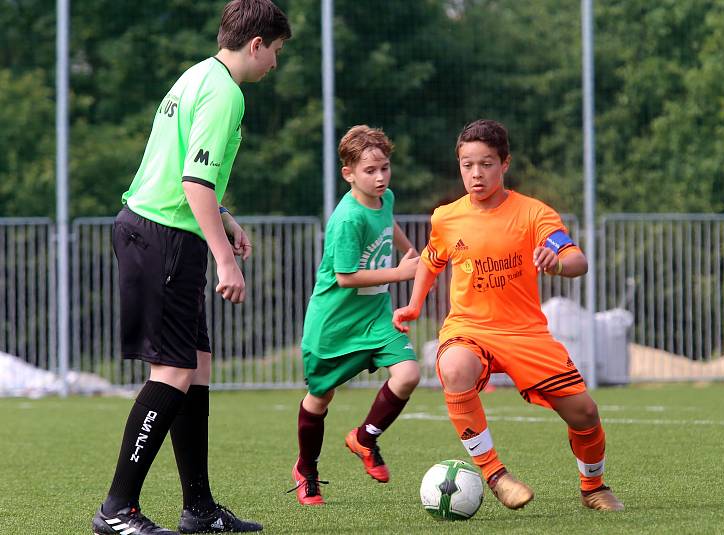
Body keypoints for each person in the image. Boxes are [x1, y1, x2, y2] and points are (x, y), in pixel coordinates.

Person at [92, 2, 291, 534]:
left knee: (196, 366)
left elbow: (185, 170)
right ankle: (117, 510)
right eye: (275, 51)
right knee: (174, 371)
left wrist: (224, 219)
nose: (275, 62)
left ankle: (198, 509)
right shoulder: (227, 91)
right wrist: (226, 260)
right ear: (256, 45)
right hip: (162, 237)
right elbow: (194, 183)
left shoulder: (198, 74)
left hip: (162, 229)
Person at [392, 119, 624, 512]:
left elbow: (577, 259)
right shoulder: (446, 217)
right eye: (467, 164)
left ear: (505, 164)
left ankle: (593, 487)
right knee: (453, 367)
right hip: (469, 328)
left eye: (486, 164)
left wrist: (558, 265)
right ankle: (495, 475)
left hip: (525, 333)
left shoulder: (533, 214)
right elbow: (431, 261)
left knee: (584, 413)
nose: (476, 174)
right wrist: (414, 305)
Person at [289, 125, 421, 506]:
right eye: (370, 171)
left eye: (385, 167)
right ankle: (307, 470)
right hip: (334, 325)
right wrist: (400, 272)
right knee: (319, 399)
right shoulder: (348, 219)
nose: (380, 177)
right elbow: (346, 277)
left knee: (409, 374)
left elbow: (389, 222)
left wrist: (411, 251)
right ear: (348, 173)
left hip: (375, 317)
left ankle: (365, 438)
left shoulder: (386, 197)